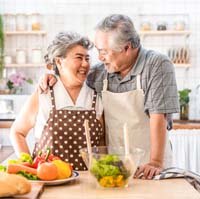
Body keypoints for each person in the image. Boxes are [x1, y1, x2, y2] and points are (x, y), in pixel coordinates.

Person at [38, 14, 179, 179]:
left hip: (149, 166)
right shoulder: (100, 72)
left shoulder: (156, 64)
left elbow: (158, 115)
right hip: (115, 167)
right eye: (98, 51)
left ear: (126, 48)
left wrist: (155, 162)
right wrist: (52, 75)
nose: (99, 58)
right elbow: (71, 76)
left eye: (104, 51)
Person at [10, 31, 105, 171]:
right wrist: (29, 167)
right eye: (79, 58)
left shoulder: (95, 97)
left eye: (87, 58)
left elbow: (101, 142)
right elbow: (17, 132)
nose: (85, 64)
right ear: (59, 61)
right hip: (50, 181)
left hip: (87, 183)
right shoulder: (44, 93)